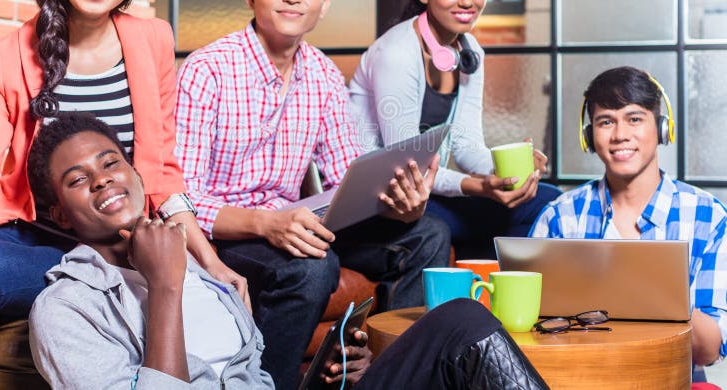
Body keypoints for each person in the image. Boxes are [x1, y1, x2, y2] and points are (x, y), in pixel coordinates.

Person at [0, 0, 243, 388]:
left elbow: (160, 169)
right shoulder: (4, 55)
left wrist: (208, 258)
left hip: (115, 244)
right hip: (37, 237)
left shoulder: (153, 41)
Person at [28, 112, 549, 390]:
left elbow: (252, 373)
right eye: (78, 180)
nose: (103, 181)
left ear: (137, 171)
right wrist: (164, 288)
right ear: (60, 214)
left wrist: (327, 375)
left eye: (111, 162)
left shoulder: (199, 267)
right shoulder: (67, 308)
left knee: (461, 321)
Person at [174, 0, 451, 389]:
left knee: (428, 233)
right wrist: (265, 224)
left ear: (323, 3)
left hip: (297, 222)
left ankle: (391, 380)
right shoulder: (207, 71)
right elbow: (182, 198)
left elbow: (348, 177)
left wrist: (403, 200)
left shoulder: (322, 73)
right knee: (310, 265)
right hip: (228, 231)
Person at [347, 0, 561, 259]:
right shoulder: (397, 53)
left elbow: (465, 145)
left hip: (421, 192)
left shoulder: (470, 51)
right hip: (379, 202)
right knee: (448, 225)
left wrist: (511, 171)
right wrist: (478, 187)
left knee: (544, 200)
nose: (467, 1)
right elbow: (407, 168)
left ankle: (493, 298)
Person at [530, 66, 726, 379]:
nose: (620, 134)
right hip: (575, 378)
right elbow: (529, 334)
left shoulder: (708, 217)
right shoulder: (559, 218)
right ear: (589, 136)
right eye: (606, 121)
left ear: (662, 129)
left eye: (634, 119)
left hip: (668, 380)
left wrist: (652, 291)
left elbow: (708, 350)